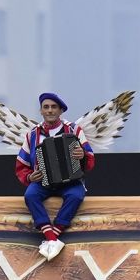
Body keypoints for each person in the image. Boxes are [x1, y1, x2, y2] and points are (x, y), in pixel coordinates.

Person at [15, 92, 95, 261]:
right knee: (30, 195)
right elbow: (21, 166)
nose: (50, 111)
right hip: (44, 182)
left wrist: (82, 156)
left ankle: (52, 236)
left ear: (60, 111)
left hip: (70, 181)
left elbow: (90, 159)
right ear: (41, 111)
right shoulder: (32, 135)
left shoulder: (74, 130)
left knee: (76, 195)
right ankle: (52, 239)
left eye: (53, 107)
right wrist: (30, 177)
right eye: (46, 107)